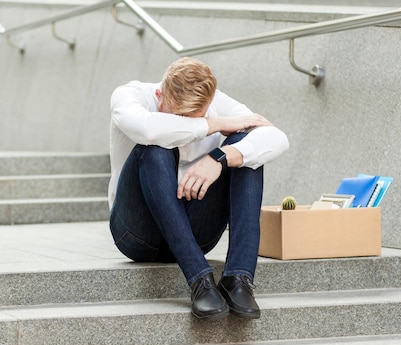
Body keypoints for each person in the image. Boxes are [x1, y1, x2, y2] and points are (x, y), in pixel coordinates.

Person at [108, 57, 289, 320]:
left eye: (199, 116)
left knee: (246, 150)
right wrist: (212, 125)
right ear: (160, 93)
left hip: (197, 232)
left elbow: (277, 138)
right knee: (155, 147)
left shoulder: (218, 102)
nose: (188, 124)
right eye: (179, 117)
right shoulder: (130, 96)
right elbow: (147, 129)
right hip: (136, 233)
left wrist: (220, 158)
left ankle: (239, 278)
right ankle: (200, 281)